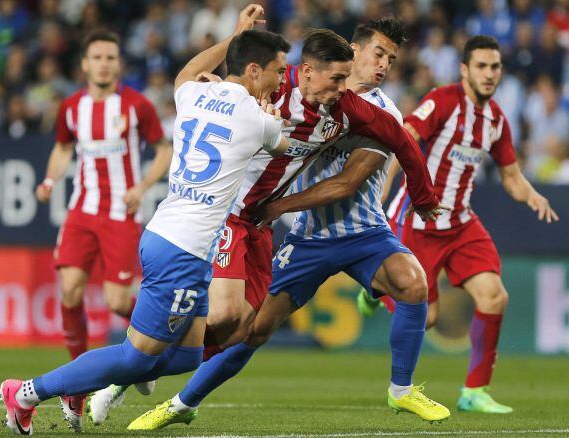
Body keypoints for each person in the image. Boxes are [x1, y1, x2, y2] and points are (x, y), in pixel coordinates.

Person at [126, 25, 447, 430]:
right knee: (251, 329)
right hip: (310, 236)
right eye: (378, 53)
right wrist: (221, 87)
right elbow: (244, 86)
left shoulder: (380, 112)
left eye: (391, 60)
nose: (383, 65)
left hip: (364, 231)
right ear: (352, 52)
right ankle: (180, 402)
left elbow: (347, 183)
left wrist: (280, 205)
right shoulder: (288, 89)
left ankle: (402, 390)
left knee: (414, 283)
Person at [1, 5, 291, 435]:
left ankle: (79, 381)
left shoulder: (192, 94)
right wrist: (274, 116)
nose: (281, 80)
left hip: (168, 234)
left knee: (189, 356)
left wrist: (235, 36)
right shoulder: (256, 119)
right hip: (183, 249)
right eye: (278, 71)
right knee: (136, 358)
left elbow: (189, 70)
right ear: (253, 70)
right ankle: (25, 391)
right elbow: (283, 145)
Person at [359, 35, 559, 414]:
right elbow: (403, 142)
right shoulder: (443, 101)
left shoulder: (496, 120)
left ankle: (474, 391)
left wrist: (532, 195)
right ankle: (376, 290)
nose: (489, 74)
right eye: (481, 66)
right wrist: (382, 192)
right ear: (465, 69)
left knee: (495, 296)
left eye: (495, 67)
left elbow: (512, 178)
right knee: (428, 317)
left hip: (462, 223)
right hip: (419, 220)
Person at [32, 28, 172, 420]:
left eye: (111, 57)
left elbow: (163, 150)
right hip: (82, 210)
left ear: (118, 63)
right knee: (70, 292)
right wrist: (48, 180)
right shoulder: (71, 107)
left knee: (115, 301)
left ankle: (150, 343)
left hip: (120, 213)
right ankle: (78, 382)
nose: (104, 63)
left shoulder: (135, 106)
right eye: (97, 57)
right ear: (84, 64)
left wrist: (143, 186)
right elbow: (62, 148)